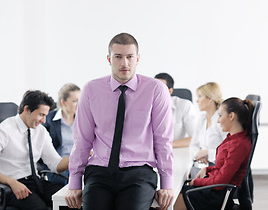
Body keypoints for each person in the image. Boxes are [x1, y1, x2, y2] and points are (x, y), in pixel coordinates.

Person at [65, 33, 174, 210]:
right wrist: (74, 181)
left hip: (139, 172)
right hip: (99, 171)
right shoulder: (91, 90)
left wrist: (167, 183)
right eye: (118, 57)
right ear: (109, 59)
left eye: (130, 57)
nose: (124, 63)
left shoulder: (156, 90)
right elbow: (82, 140)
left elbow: (163, 139)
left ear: (137, 59)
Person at [174, 97, 254, 210]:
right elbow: (222, 168)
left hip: (215, 197)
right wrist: (207, 169)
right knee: (171, 193)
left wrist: (196, 182)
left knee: (167, 200)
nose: (217, 120)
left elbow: (221, 182)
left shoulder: (238, 145)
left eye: (220, 115)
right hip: (212, 190)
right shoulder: (232, 138)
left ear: (231, 116)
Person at [0, 90, 69, 210]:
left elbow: (55, 165)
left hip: (36, 181)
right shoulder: (4, 130)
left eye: (46, 115)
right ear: (27, 109)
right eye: (41, 115)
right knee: (39, 207)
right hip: (11, 185)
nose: (44, 121)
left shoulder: (41, 131)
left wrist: (78, 156)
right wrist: (10, 181)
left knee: (69, 201)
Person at [42, 83, 81, 185]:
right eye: (75, 101)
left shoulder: (83, 120)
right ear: (63, 102)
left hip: (81, 164)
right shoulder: (48, 120)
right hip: (60, 166)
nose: (79, 104)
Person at [189, 82, 227, 178]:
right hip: (203, 165)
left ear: (210, 99)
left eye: (200, 96)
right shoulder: (202, 118)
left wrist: (207, 153)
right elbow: (193, 145)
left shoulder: (221, 121)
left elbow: (230, 150)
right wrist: (198, 155)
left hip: (219, 169)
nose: (197, 101)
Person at [155, 73, 197, 148]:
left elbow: (196, 138)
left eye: (161, 88)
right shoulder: (145, 106)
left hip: (177, 151)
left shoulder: (185, 105)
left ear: (170, 91)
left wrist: (167, 145)